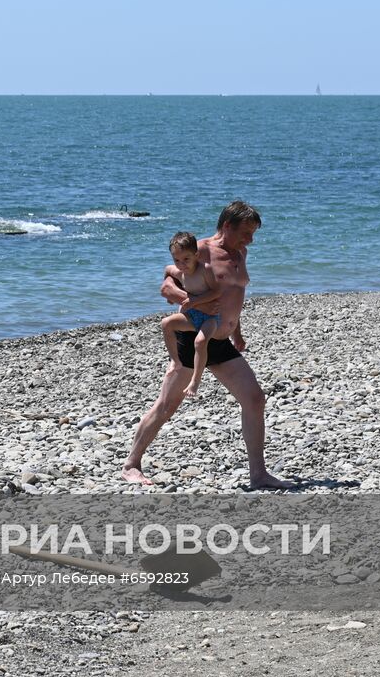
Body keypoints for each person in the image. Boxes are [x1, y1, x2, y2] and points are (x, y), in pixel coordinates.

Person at [121, 200, 291, 489]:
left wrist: (237, 330)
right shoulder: (199, 250)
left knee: (254, 400)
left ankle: (259, 474)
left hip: (222, 338)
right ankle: (131, 464)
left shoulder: (241, 253)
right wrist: (188, 302)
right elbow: (166, 284)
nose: (250, 239)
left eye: (252, 234)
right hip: (193, 336)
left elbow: (230, 297)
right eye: (246, 232)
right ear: (227, 226)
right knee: (167, 405)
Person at [159, 231, 223, 399]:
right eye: (176, 260)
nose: (181, 264)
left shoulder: (205, 270)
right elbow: (167, 271)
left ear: (196, 255)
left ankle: (195, 381)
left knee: (200, 341)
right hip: (191, 315)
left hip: (210, 317)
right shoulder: (179, 271)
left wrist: (195, 300)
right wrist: (170, 297)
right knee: (166, 323)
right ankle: (176, 361)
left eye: (186, 259)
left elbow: (217, 292)